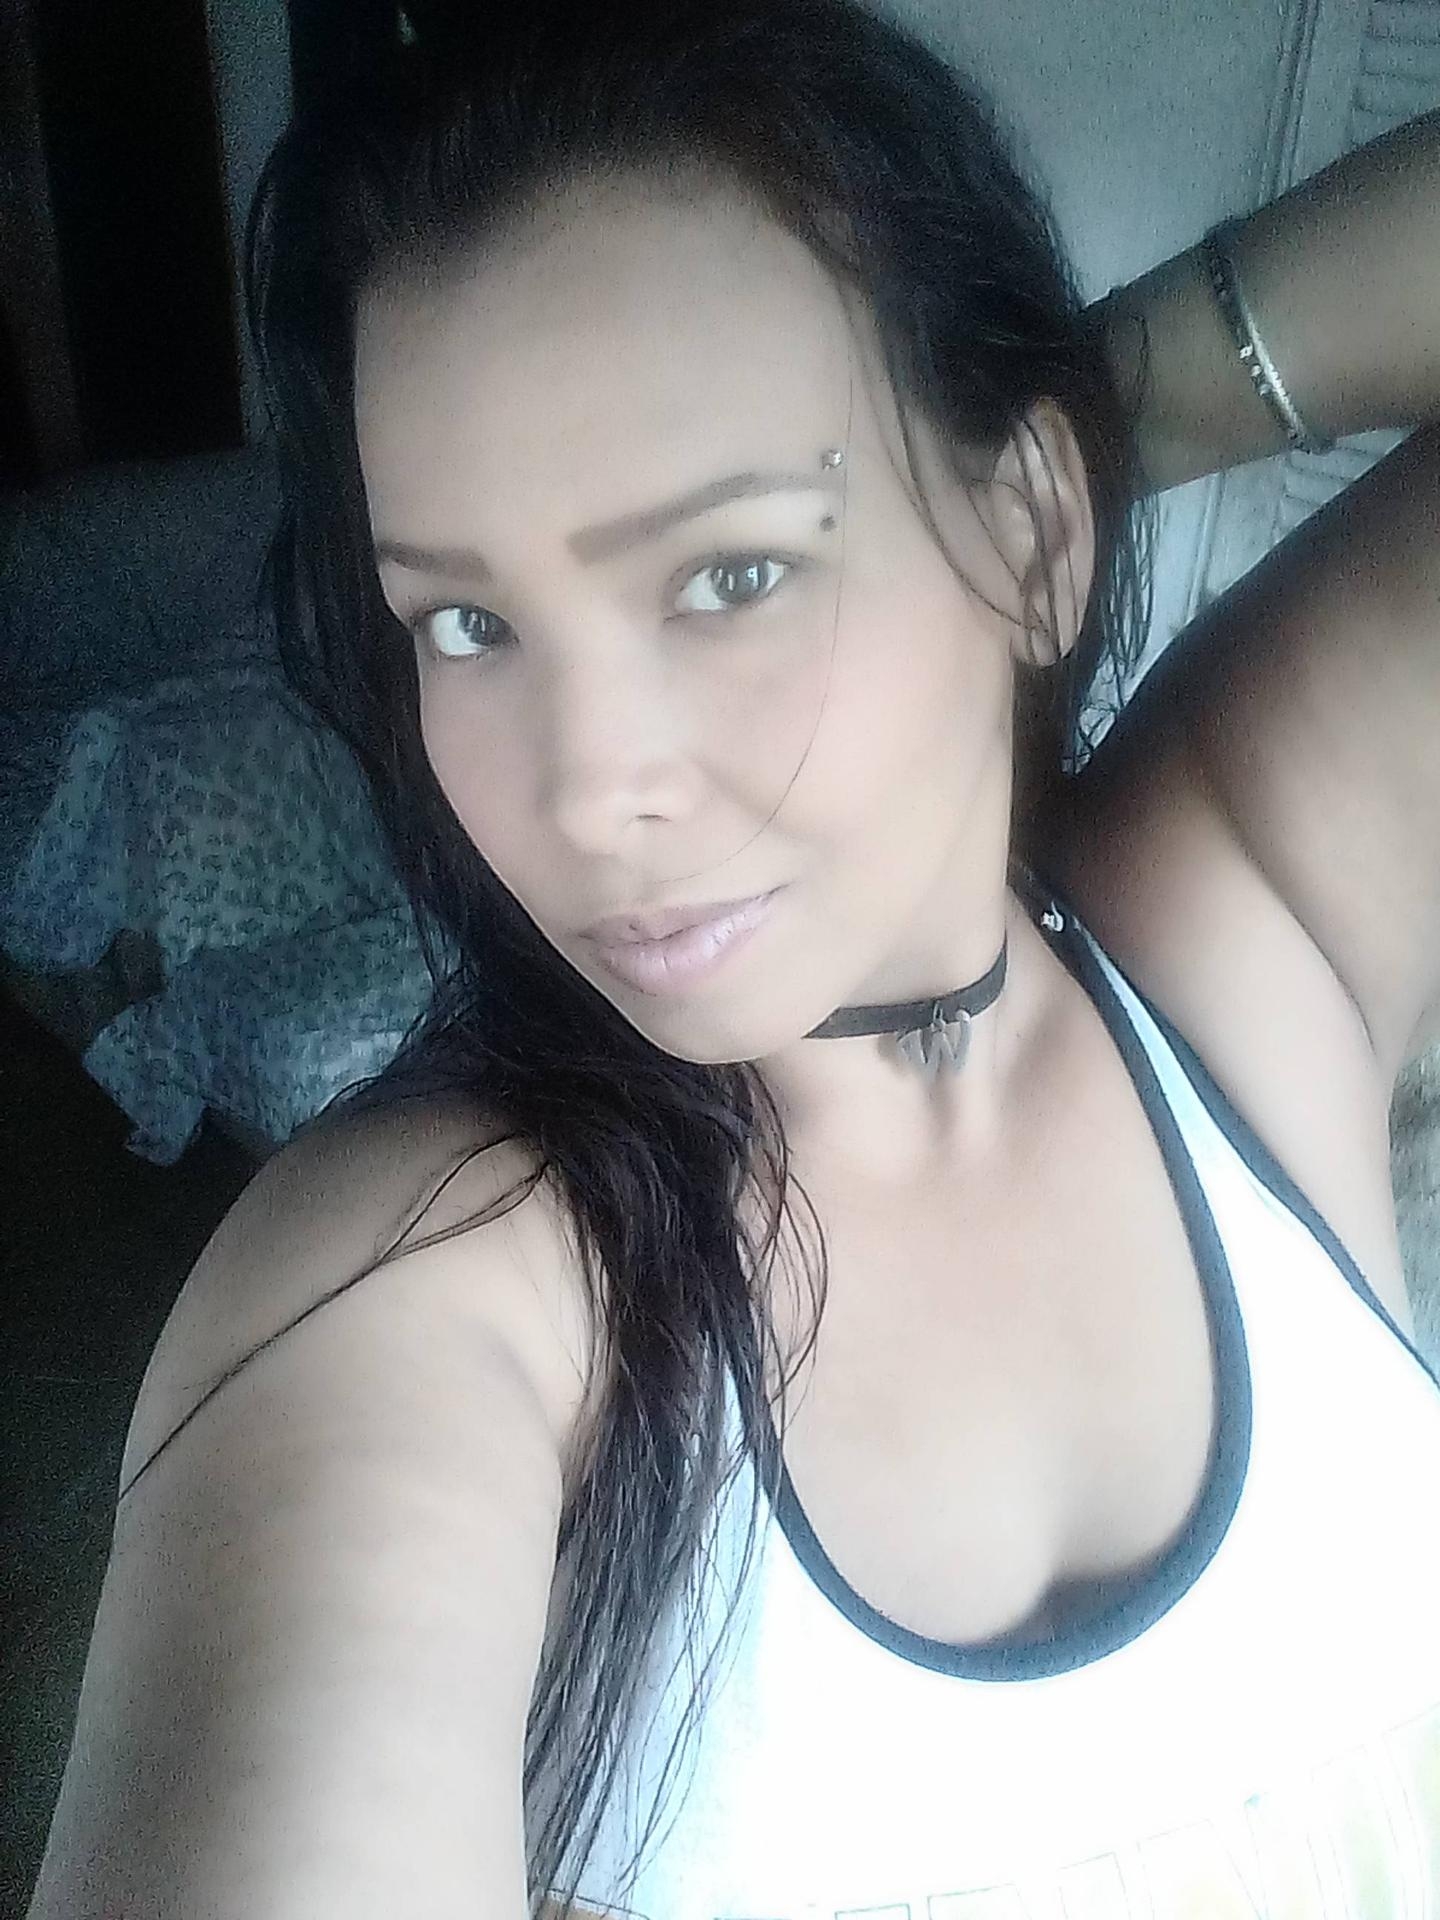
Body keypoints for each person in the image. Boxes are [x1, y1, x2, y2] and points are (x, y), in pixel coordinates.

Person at [25, 4, 1440, 1916]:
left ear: (1031, 528)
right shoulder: (421, 1274)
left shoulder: (1247, 921)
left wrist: (1089, 428)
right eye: (465, 625)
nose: (587, 789)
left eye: (731, 574)